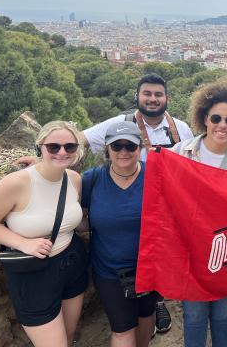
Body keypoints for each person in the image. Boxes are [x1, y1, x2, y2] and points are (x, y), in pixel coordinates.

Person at [15, 73, 191, 333]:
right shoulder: (120, 123)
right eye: (147, 94)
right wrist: (44, 162)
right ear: (138, 96)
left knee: (159, 259)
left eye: (158, 94)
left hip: (164, 204)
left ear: (167, 98)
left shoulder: (181, 128)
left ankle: (157, 302)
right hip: (127, 194)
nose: (152, 99)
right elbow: (78, 141)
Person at [171, 78, 227, 347]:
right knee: (195, 315)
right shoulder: (181, 153)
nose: (223, 125)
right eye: (216, 118)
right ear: (204, 118)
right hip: (191, 250)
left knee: (222, 314)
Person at [0, 121, 88, 347]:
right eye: (53, 147)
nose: (62, 152)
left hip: (72, 260)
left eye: (69, 147)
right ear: (40, 147)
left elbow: (73, 220)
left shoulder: (74, 179)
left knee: (70, 332)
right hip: (33, 273)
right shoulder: (18, 183)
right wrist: (22, 242)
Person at [81, 121, 157, 347]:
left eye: (130, 146)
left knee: (146, 319)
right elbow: (80, 219)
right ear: (107, 149)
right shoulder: (92, 179)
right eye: (117, 146)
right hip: (109, 271)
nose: (123, 152)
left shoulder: (155, 174)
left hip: (149, 267)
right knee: (122, 329)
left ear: (140, 148)